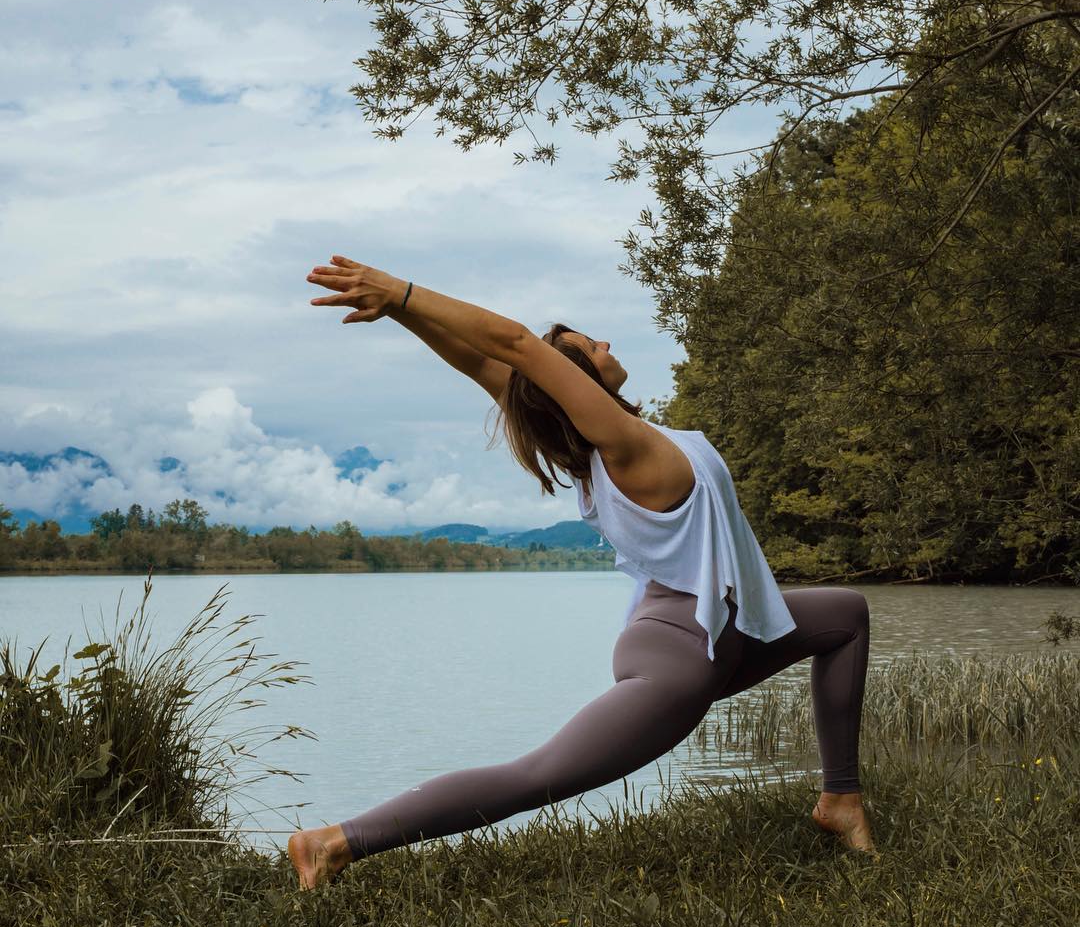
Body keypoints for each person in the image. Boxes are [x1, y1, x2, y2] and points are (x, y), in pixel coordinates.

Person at [287, 255, 876, 890]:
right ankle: (335, 842)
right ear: (575, 383)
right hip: (678, 659)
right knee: (535, 777)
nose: (606, 342)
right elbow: (511, 346)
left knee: (845, 615)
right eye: (590, 345)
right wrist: (402, 289)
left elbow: (484, 365)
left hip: (711, 630)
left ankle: (840, 801)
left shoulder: (612, 448)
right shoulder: (623, 448)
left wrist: (402, 312)